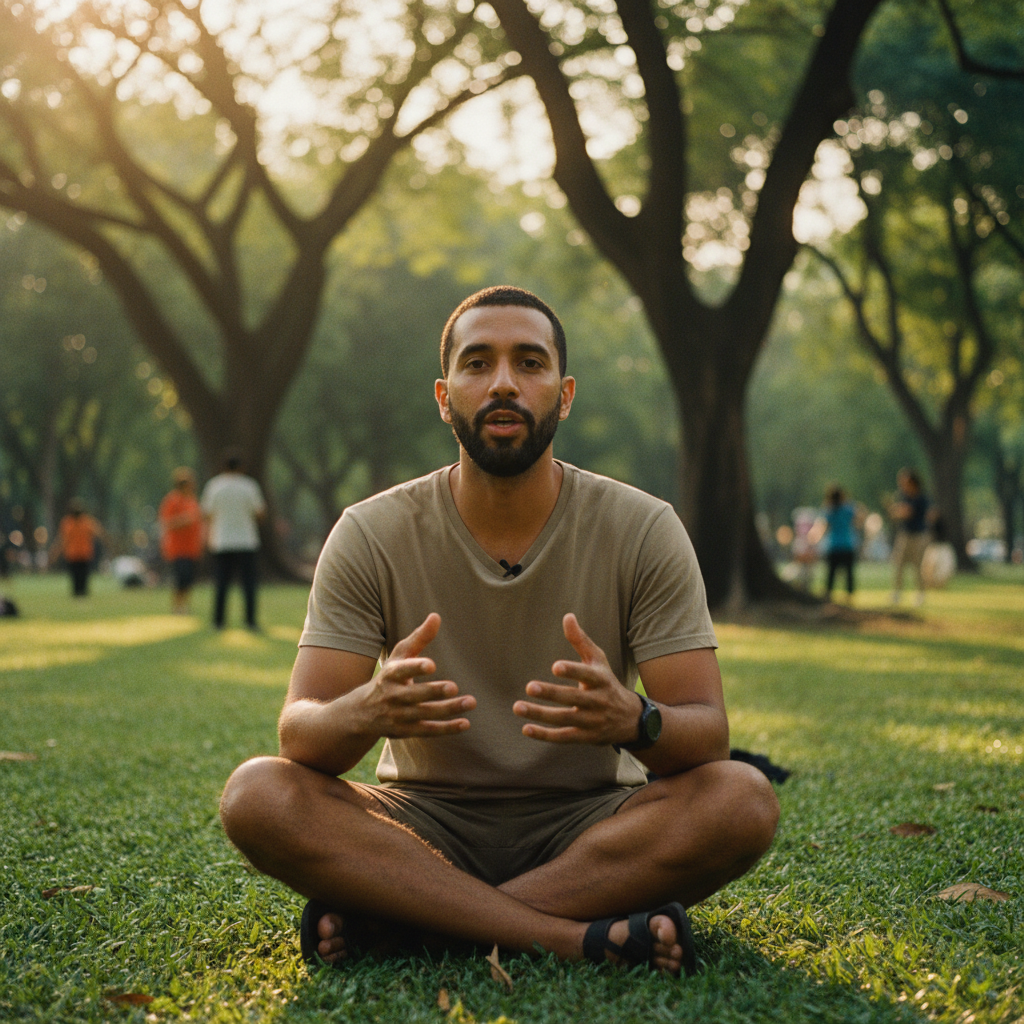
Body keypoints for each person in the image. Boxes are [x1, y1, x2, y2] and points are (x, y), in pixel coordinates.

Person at [218, 286, 779, 977]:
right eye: (478, 363)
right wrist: (366, 708)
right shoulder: (371, 531)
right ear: (444, 393)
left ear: (565, 393)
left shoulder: (643, 527)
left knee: (742, 799)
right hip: (417, 825)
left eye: (530, 363)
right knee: (257, 793)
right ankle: (570, 939)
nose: (505, 383)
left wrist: (633, 718)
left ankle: (405, 921)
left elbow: (707, 735)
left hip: (594, 825)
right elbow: (299, 737)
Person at [201, 452, 266, 630]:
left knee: (221, 583)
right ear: (241, 467)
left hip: (222, 540)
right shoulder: (249, 486)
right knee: (249, 584)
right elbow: (260, 512)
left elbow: (206, 513)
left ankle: (218, 621)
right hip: (246, 540)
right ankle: (250, 621)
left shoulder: (214, 486)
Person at [158, 468, 204, 613]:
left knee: (189, 578)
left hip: (192, 547)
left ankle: (185, 605)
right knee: (180, 578)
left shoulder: (192, 500)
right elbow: (166, 523)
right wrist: (184, 520)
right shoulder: (172, 500)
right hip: (177, 547)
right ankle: (177, 606)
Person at [889, 469, 932, 606]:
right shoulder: (904, 497)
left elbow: (908, 512)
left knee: (917, 566)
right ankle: (897, 593)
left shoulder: (921, 497)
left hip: (918, 535)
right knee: (899, 564)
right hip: (905, 534)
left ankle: (920, 594)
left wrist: (898, 511)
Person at [50, 499, 105, 597]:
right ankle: (77, 593)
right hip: (73, 554)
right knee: (75, 575)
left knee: (83, 575)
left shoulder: (87, 521)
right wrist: (55, 553)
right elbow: (62, 540)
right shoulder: (67, 522)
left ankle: (83, 592)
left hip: (84, 554)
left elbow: (99, 533)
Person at [820, 486, 861, 602]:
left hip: (834, 545)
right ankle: (849, 596)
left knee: (831, 573)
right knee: (849, 572)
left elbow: (825, 527)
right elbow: (858, 519)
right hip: (848, 544)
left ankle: (828, 595)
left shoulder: (829, 510)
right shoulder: (848, 509)